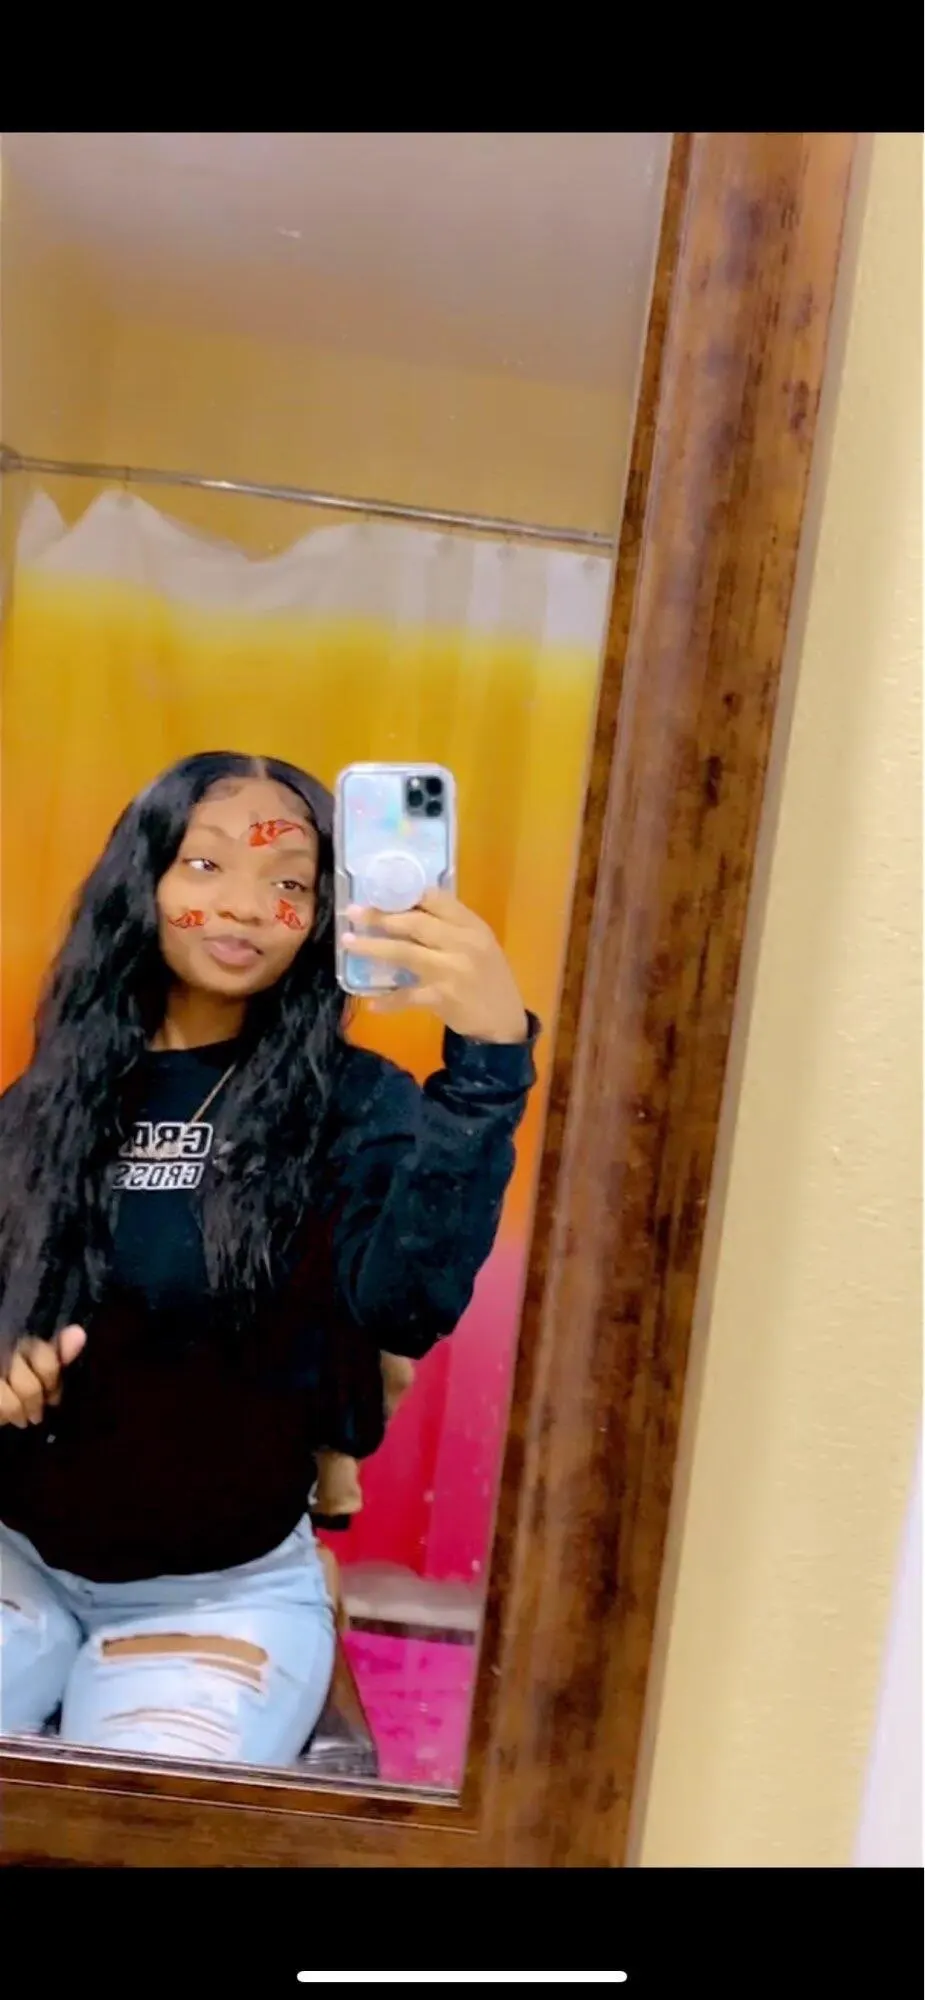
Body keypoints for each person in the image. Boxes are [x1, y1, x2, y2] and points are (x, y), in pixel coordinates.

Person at [0, 751, 537, 1767]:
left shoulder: (356, 1103)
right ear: (143, 881)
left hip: (217, 1597)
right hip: (14, 1561)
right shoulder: (52, 1095)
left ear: (322, 914)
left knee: (135, 1827)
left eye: (289, 881)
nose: (247, 905)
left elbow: (405, 1303)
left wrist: (487, 1064)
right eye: (206, 865)